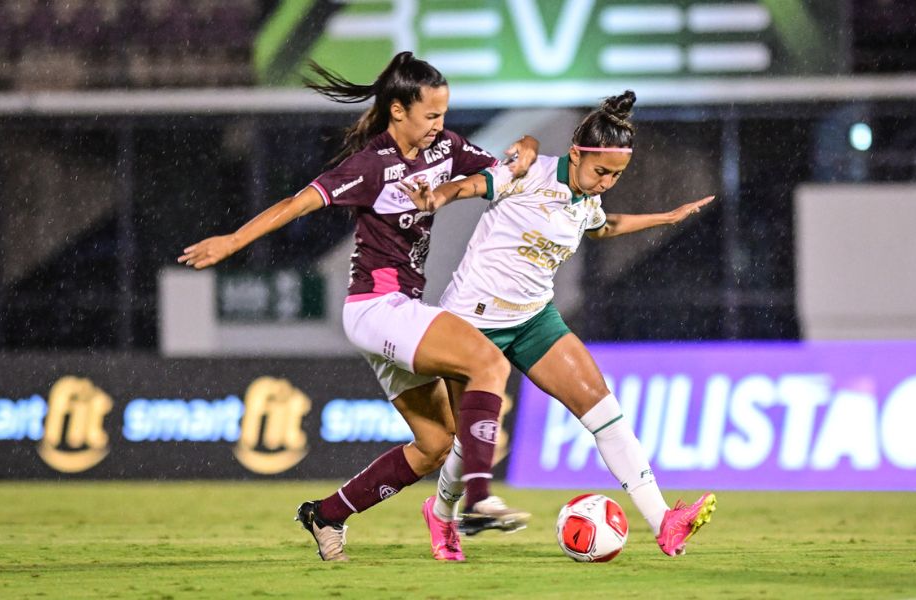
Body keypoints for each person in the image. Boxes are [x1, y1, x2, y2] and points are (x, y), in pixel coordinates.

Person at [178, 51, 537, 562]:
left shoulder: (446, 149)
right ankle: (476, 500)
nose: (441, 125)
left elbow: (507, 170)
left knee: (436, 444)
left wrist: (528, 145)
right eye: (431, 115)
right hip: (377, 307)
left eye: (444, 114)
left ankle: (325, 516)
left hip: (399, 309)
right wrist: (233, 241)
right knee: (489, 362)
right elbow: (296, 203)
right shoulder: (371, 166)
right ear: (397, 111)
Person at [401, 90, 717, 559]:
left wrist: (665, 218)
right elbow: (469, 186)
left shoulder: (585, 198)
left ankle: (664, 521)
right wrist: (437, 196)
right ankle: (442, 514)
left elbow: (603, 225)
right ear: (575, 154)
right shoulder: (528, 172)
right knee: (472, 443)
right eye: (601, 171)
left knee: (605, 412)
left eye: (616, 174)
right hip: (472, 322)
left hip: (534, 320)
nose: (607, 181)